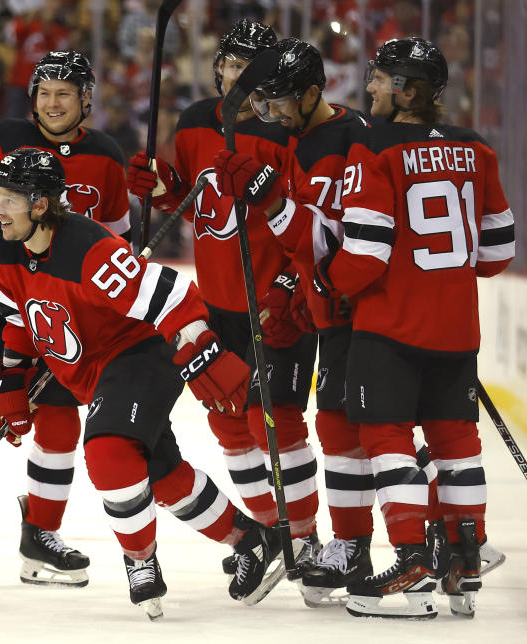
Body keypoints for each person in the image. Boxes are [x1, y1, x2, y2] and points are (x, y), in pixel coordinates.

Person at [0, 147, 286, 618]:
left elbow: (172, 294)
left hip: (139, 354)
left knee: (108, 453)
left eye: (7, 199)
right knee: (162, 475)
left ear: (40, 204)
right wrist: (11, 380)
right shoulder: (1, 247)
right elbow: (18, 319)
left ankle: (140, 562)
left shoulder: (88, 247)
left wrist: (204, 348)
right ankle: (253, 540)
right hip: (93, 376)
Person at [312, 37, 515, 618]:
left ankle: (413, 564)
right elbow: (498, 251)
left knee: (386, 438)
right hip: (457, 328)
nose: (369, 88)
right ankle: (465, 559)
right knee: (457, 442)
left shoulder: (372, 148)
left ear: (405, 88)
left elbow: (367, 254)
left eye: (378, 79)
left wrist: (328, 278)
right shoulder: (477, 149)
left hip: (390, 324)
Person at [125, 19, 323, 575]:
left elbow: (306, 219)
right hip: (216, 306)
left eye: (251, 70)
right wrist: (159, 186)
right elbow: (189, 198)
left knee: (280, 422)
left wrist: (289, 287)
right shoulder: (193, 123)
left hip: (273, 307)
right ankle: (271, 536)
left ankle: (304, 538)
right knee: (229, 423)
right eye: (231, 66)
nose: (237, 78)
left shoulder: (287, 132)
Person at [0, 50, 130, 589]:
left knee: (61, 422)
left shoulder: (107, 155)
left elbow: (120, 243)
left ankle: (40, 537)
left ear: (87, 98)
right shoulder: (3, 137)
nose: (52, 103)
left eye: (64, 93)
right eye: (44, 93)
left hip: (64, 314)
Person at [210, 36, 380, 606]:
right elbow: (303, 240)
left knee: (367, 430)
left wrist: (271, 202)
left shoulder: (355, 138)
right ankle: (325, 545)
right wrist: (290, 288)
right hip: (323, 306)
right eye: (264, 102)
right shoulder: (300, 139)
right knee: (322, 426)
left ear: (314, 92)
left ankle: (428, 537)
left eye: (281, 101)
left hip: (359, 309)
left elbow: (348, 235)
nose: (273, 114)